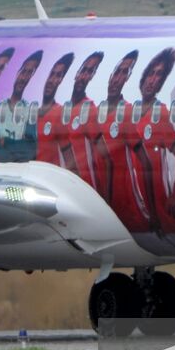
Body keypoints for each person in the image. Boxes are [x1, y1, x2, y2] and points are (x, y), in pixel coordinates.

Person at [129, 47, 175, 235]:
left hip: (156, 203)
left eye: (159, 76)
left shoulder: (160, 113)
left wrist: (174, 197)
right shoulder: (130, 112)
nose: (152, 80)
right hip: (138, 203)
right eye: (151, 73)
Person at [96, 51, 150, 232]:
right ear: (110, 75)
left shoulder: (125, 112)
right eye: (117, 72)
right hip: (100, 200)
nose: (118, 79)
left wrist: (150, 204)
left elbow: (145, 161)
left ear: (127, 79)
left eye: (124, 74)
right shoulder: (96, 112)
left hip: (125, 203)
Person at [0, 50, 42, 163]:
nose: (24, 78)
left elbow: (30, 151)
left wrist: (6, 142)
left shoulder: (29, 111)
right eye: (23, 72)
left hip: (21, 176)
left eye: (29, 74)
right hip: (0, 175)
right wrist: (19, 146)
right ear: (17, 72)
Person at [60, 51, 104, 185]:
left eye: (89, 72)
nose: (84, 76)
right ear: (76, 73)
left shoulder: (89, 108)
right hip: (64, 185)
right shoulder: (63, 111)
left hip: (86, 187)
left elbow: (104, 155)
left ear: (91, 77)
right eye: (83, 70)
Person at [35, 52, 74, 166]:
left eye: (57, 76)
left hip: (47, 181)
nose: (52, 80)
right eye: (51, 74)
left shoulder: (59, 114)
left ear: (61, 81)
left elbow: (70, 162)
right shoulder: (31, 115)